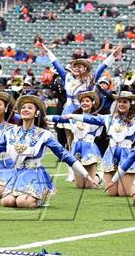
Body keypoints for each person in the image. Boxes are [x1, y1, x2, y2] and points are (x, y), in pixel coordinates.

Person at [0, 95, 97, 208]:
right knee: (7, 202)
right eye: (23, 107)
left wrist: (86, 174)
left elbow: (65, 155)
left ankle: (40, 196)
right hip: (16, 172)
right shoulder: (11, 132)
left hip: (34, 173)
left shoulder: (44, 134)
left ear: (36, 113)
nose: (25, 110)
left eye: (30, 108)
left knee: (22, 202)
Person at [40, 43, 119, 181]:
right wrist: (48, 51)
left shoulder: (90, 80)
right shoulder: (68, 77)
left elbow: (101, 68)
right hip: (68, 109)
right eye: (75, 66)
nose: (76, 68)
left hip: (83, 110)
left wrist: (112, 56)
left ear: (85, 69)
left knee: (85, 139)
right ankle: (73, 172)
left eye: (79, 66)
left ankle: (92, 170)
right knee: (71, 141)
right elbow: (57, 64)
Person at [63, 91, 135, 197]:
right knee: (112, 193)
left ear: (131, 104)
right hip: (111, 154)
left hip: (126, 154)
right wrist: (72, 116)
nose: (121, 104)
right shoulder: (109, 118)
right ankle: (101, 177)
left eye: (125, 102)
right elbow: (91, 119)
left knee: (123, 193)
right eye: (119, 101)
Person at [47, 91, 102, 188]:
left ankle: (99, 177)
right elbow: (59, 118)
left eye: (87, 101)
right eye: (82, 101)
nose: (84, 103)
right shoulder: (73, 116)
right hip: (76, 148)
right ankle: (93, 178)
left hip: (89, 148)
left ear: (92, 103)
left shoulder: (97, 117)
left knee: (89, 186)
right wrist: (44, 117)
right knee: (80, 186)